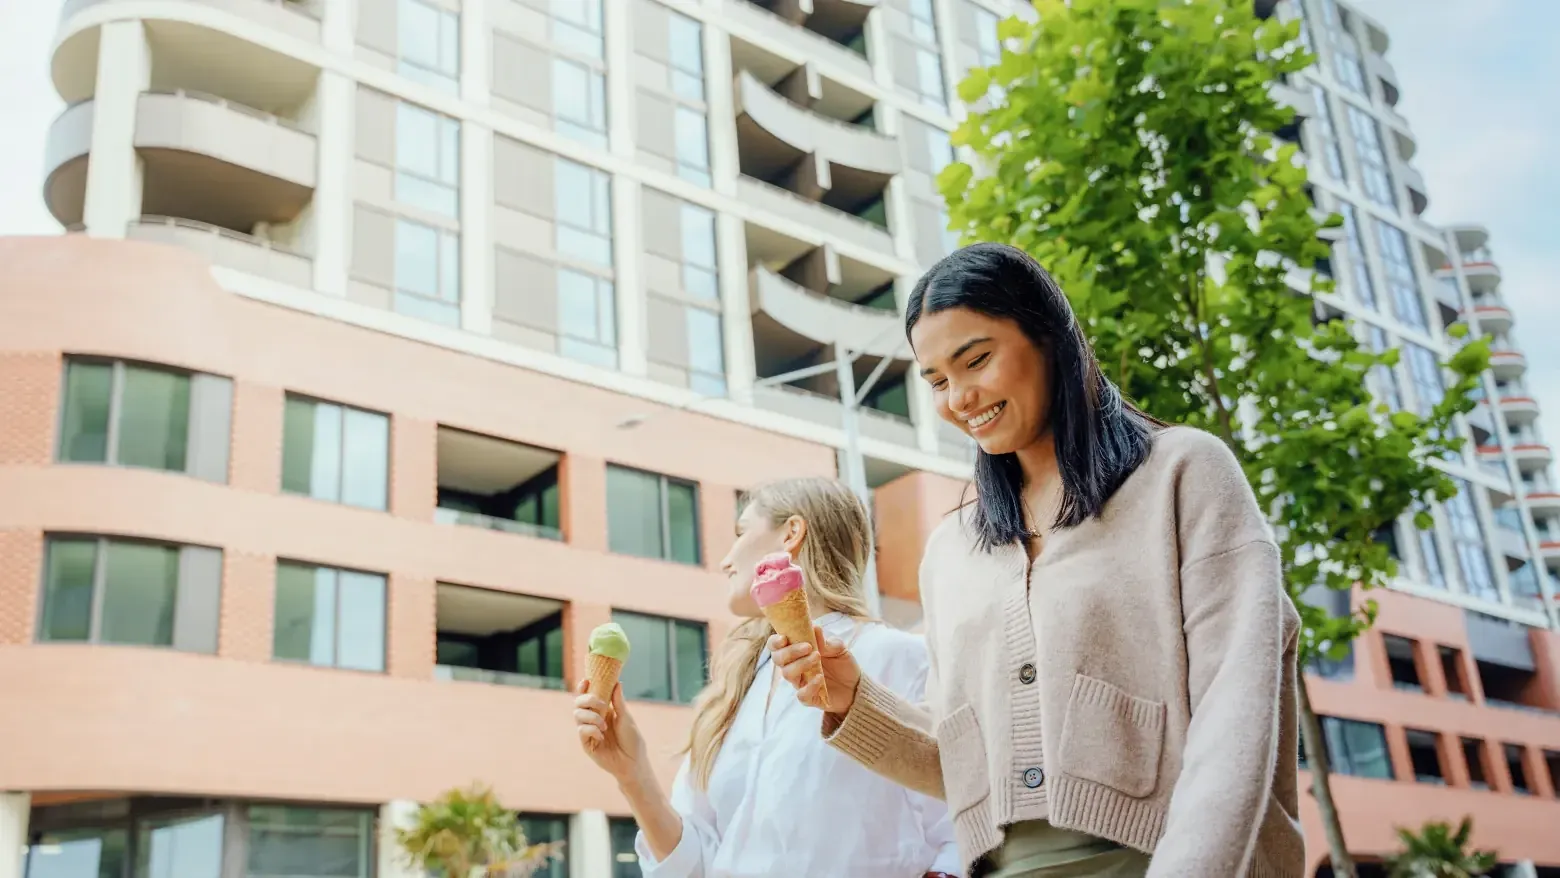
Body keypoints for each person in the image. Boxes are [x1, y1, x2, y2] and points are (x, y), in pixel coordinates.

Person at [770, 243, 1304, 877]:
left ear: (1051, 337)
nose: (959, 398)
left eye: (977, 360)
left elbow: (1234, 720)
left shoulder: (1183, 474)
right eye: (938, 381)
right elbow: (967, 766)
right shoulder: (952, 552)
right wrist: (854, 698)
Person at [571, 476, 965, 878]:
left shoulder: (897, 657)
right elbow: (696, 866)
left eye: (741, 532)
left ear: (792, 533)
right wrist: (632, 775)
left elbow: (960, 825)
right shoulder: (733, 691)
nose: (726, 559)